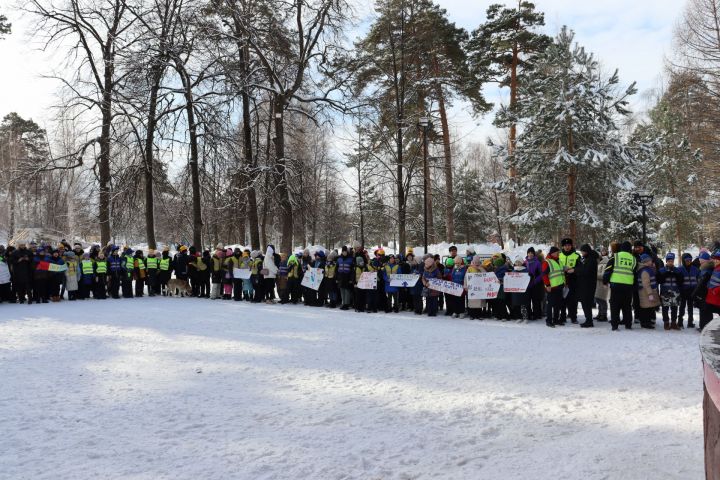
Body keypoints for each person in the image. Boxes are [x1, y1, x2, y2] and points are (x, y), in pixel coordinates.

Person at [603, 241, 637, 331]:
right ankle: (628, 324)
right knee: (627, 306)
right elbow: (634, 273)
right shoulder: (633, 259)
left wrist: (605, 281)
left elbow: (608, 270)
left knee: (615, 305)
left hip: (616, 285)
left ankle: (615, 325)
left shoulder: (615, 256)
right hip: (628, 286)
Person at [575, 244, 599, 328]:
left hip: (588, 285)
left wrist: (575, 270)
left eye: (583, 251)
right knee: (585, 303)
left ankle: (589, 321)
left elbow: (586, 271)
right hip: (585, 284)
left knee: (586, 303)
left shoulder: (591, 259)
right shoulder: (587, 258)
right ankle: (588, 320)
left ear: (587, 251)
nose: (581, 253)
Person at [558, 238, 580, 324]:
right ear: (563, 246)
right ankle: (562, 317)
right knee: (562, 300)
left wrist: (574, 270)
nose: (567, 247)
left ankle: (573, 317)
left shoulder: (576, 255)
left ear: (571, 246)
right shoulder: (559, 255)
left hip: (572, 280)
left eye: (569, 245)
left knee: (573, 300)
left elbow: (580, 268)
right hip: (561, 280)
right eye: (565, 246)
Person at [658, 252, 683, 330]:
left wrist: (676, 275)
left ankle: (673, 323)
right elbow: (659, 280)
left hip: (675, 292)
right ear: (666, 261)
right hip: (665, 292)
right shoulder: (661, 270)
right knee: (665, 308)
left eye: (672, 261)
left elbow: (680, 282)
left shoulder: (677, 270)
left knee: (674, 308)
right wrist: (666, 274)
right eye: (669, 261)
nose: (670, 263)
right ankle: (666, 322)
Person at [542, 246, 565, 328]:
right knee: (550, 304)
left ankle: (556, 319)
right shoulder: (547, 262)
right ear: (552, 253)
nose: (558, 254)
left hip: (559, 286)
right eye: (557, 252)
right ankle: (549, 320)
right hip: (551, 287)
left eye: (558, 252)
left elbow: (561, 271)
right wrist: (547, 285)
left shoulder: (558, 261)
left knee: (557, 304)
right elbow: (544, 275)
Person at [637, 253, 661, 329]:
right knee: (646, 309)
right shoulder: (645, 271)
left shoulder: (648, 269)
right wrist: (650, 293)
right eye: (650, 261)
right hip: (646, 293)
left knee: (649, 308)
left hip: (647, 292)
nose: (651, 262)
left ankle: (648, 322)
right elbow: (646, 284)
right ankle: (645, 323)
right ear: (646, 262)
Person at [678, 252, 699, 328]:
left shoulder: (695, 269)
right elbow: (678, 282)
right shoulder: (679, 269)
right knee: (682, 307)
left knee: (690, 308)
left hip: (692, 291)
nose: (689, 261)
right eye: (687, 260)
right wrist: (680, 290)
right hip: (683, 291)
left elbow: (698, 279)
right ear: (683, 260)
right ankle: (680, 322)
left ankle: (690, 322)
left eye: (690, 260)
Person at [525, 247, 544, 320]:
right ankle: (529, 314)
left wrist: (535, 280)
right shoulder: (525, 262)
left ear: (534, 254)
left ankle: (537, 314)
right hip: (526, 285)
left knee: (535, 300)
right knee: (527, 300)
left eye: (531, 253)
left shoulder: (537, 262)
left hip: (535, 284)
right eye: (529, 253)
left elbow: (541, 274)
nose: (530, 254)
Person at [465, 255, 487, 320]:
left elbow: (486, 275)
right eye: (475, 262)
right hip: (472, 288)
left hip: (479, 289)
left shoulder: (481, 268)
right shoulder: (469, 269)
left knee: (479, 303)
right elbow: (466, 278)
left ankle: (479, 315)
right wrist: (465, 285)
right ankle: (472, 315)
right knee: (472, 303)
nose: (476, 264)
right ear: (473, 262)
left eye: (477, 262)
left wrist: (480, 269)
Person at [594, 247, 611, 322]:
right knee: (598, 299)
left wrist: (594, 275)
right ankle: (600, 314)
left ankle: (604, 315)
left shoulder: (605, 263)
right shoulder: (599, 263)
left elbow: (604, 275)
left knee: (602, 300)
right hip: (598, 284)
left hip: (603, 284)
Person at [336, 246, 354, 310]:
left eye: (345, 251)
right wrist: (337, 278)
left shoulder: (350, 259)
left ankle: (346, 304)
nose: (344, 253)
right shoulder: (339, 259)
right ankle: (343, 303)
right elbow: (336, 269)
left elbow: (352, 270)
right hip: (340, 277)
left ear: (347, 252)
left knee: (347, 291)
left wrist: (351, 279)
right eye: (343, 251)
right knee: (342, 290)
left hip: (347, 277)